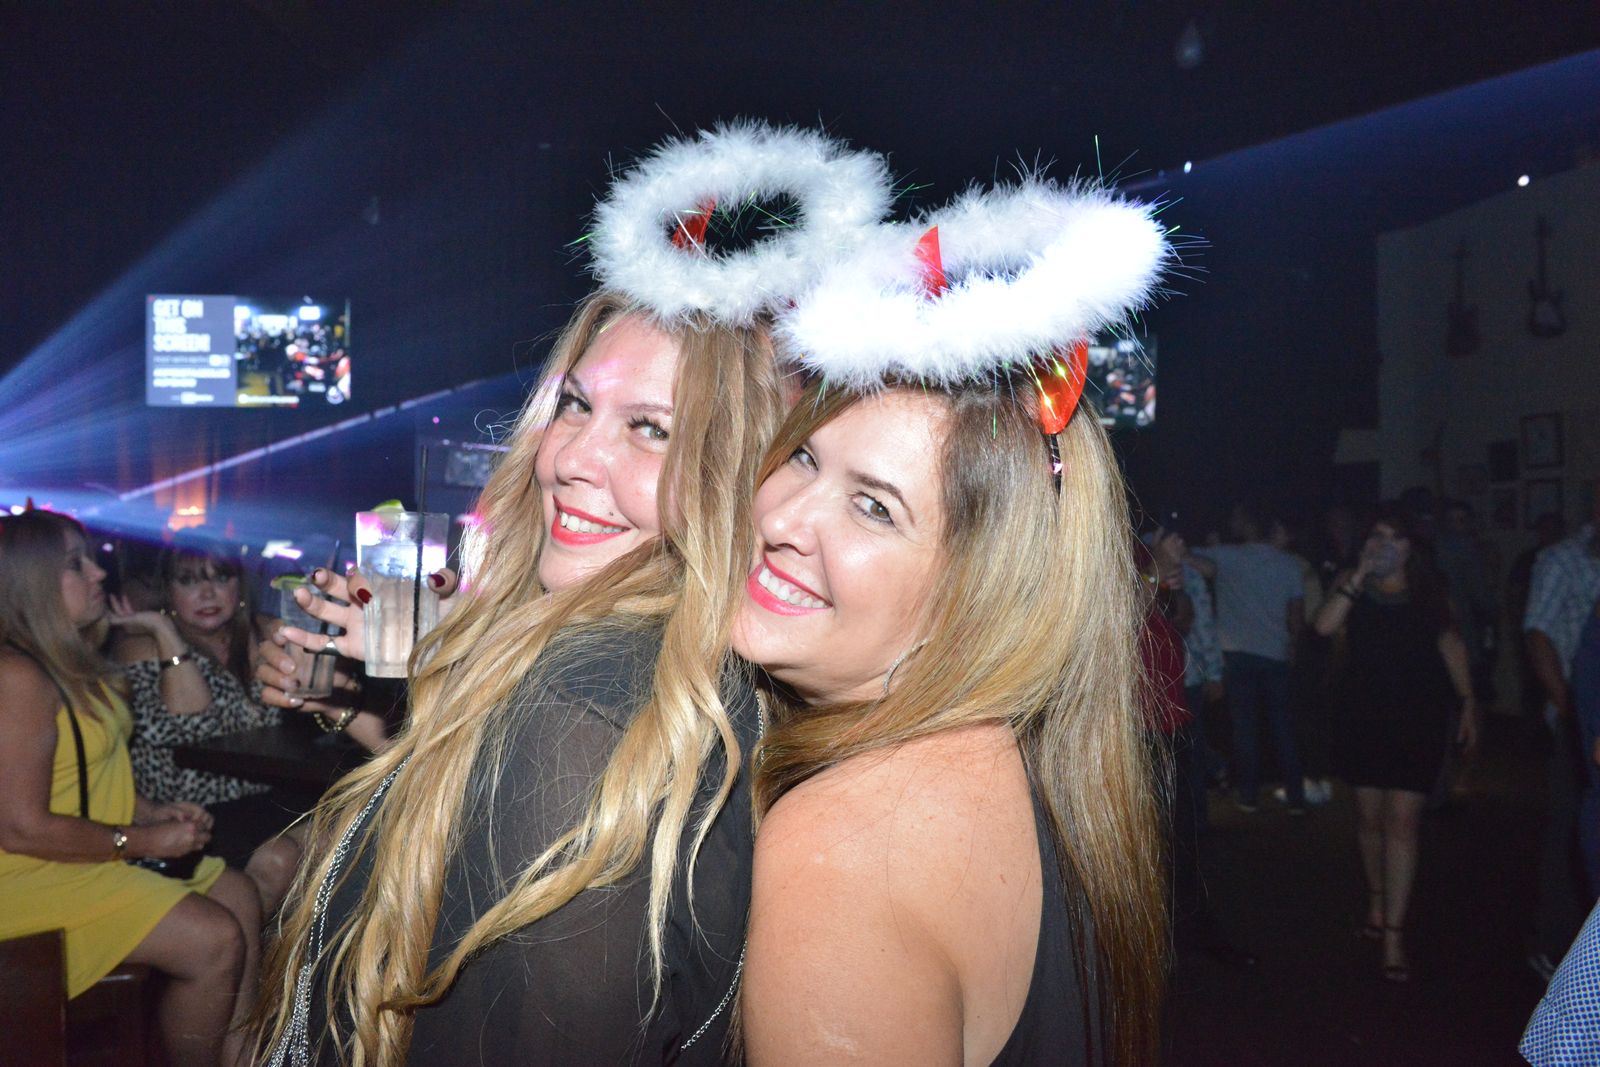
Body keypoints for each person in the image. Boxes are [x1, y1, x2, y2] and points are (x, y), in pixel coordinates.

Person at [250, 123, 893, 1065]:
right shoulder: (667, 671)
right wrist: (379, 701)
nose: (571, 459)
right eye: (577, 405)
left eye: (650, 429)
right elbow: (482, 846)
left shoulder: (588, 705)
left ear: (734, 471)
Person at [736, 179, 1169, 1065]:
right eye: (804, 458)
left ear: (979, 596)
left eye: (874, 507)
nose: (782, 518)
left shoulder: (843, 847)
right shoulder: (1044, 785)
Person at [0, 509, 264, 1067]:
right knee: (212, 938)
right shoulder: (17, 676)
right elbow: (19, 827)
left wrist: (151, 812)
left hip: (81, 854)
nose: (99, 573)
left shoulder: (67, 661)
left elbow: (80, 778)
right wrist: (141, 841)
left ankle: (240, 1057)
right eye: (77, 565)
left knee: (237, 892)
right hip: (25, 876)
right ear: (32, 582)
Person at [1312, 505, 1477, 982]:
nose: (1384, 545)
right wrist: (1358, 572)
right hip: (1363, 718)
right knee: (1369, 820)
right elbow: (1322, 627)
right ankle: (1377, 903)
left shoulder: (1429, 591)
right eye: (1377, 536)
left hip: (1419, 719)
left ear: (1410, 548)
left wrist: (1468, 702)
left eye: (1395, 537)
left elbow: (1451, 644)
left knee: (1402, 823)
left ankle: (1394, 936)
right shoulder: (1353, 584)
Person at [110, 535, 299, 881]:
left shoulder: (264, 634)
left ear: (239, 586)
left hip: (267, 797)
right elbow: (192, 726)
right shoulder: (142, 646)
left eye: (221, 577)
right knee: (280, 857)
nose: (208, 594)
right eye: (188, 581)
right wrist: (164, 631)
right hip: (188, 813)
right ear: (168, 591)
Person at [1192, 502, 1309, 813]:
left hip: (1237, 655)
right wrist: (1293, 647)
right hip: (1275, 654)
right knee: (1283, 728)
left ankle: (1248, 795)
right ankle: (1295, 797)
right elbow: (1296, 615)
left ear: (1246, 523)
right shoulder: (1289, 564)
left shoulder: (1227, 556)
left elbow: (1186, 557)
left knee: (1245, 729)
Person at [1525, 495, 1600, 977]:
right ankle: (1556, 946)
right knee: (1571, 829)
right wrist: (1575, 716)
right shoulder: (1562, 560)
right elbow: (1538, 635)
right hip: (1582, 725)